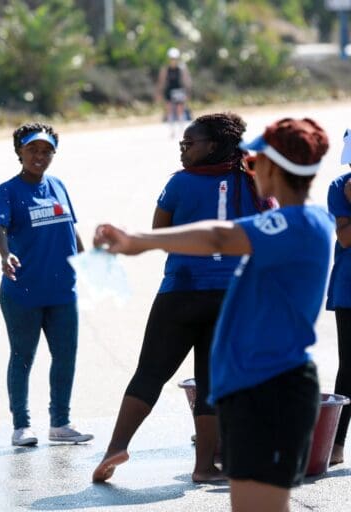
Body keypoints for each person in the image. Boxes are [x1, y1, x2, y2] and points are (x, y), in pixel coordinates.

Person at [94, 118, 332, 512]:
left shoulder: (297, 222)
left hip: (271, 386)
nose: (248, 167)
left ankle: (120, 446)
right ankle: (202, 464)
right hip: (257, 386)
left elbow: (220, 235)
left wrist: (140, 240)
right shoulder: (295, 222)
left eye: (256, 162)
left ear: (275, 168)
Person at [92, 113, 270, 484]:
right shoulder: (253, 184)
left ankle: (116, 447)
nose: (183, 150)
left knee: (150, 372)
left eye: (189, 144)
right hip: (232, 297)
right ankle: (204, 468)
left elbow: (160, 232)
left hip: (182, 291)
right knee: (210, 382)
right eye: (182, 144)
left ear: (214, 146)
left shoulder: (180, 183)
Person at [0, 123, 93, 447]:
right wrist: (5, 256)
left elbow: (70, 228)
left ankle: (60, 423)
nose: (39, 156)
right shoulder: (7, 191)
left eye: (46, 151)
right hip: (23, 290)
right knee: (22, 356)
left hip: (62, 290)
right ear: (19, 151)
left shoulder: (58, 185)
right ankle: (21, 425)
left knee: (65, 355)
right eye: (32, 149)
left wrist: (88, 260)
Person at [327, 127, 351, 465]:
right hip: (349, 288)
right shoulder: (339, 187)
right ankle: (335, 445)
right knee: (349, 367)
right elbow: (346, 239)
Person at [155, 47, 192, 138]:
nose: (173, 60)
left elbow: (187, 81)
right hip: (169, 91)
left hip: (179, 90)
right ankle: (172, 131)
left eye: (175, 58)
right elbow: (161, 81)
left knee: (180, 110)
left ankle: (181, 130)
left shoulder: (181, 68)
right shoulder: (165, 69)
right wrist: (158, 93)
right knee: (169, 110)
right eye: (172, 58)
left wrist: (188, 92)